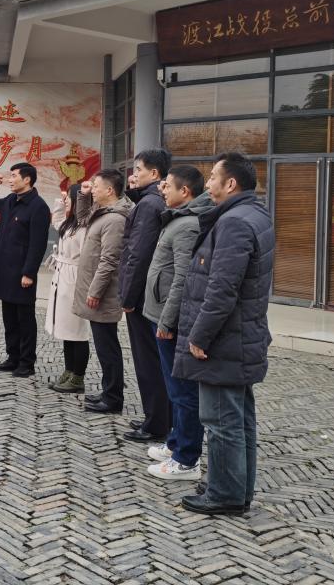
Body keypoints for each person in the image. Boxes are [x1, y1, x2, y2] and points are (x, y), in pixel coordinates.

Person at [175, 153, 275, 516]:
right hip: (239, 336)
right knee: (238, 418)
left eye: (213, 177)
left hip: (225, 339)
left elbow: (222, 289)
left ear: (230, 183)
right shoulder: (253, 214)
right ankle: (233, 486)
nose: (208, 183)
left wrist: (199, 336)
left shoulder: (234, 222)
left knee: (221, 420)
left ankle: (225, 495)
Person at [141, 165, 213, 481]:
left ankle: (186, 459)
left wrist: (167, 321)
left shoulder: (187, 225)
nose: (162, 189)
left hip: (170, 320)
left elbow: (183, 278)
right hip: (160, 314)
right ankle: (175, 444)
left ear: (185, 191)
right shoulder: (178, 219)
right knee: (175, 389)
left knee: (183, 391)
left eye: (167, 185)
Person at [118, 149, 173, 443]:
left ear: (154, 173)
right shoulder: (154, 200)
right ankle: (161, 418)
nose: (133, 174)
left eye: (138, 169)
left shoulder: (149, 205)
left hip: (141, 296)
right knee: (154, 359)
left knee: (148, 361)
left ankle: (155, 424)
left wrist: (127, 297)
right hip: (150, 292)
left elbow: (138, 254)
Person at [0, 162, 51, 377]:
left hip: (22, 274)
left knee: (25, 320)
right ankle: (13, 357)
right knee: (9, 318)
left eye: (13, 176)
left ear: (27, 179)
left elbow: (38, 244)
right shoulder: (11, 200)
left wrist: (29, 273)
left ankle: (26, 362)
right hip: (5, 271)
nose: (10, 180)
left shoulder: (38, 207)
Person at [73, 170, 134, 413]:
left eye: (96, 186)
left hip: (104, 295)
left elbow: (110, 260)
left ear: (110, 190)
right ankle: (108, 391)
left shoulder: (115, 220)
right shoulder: (103, 212)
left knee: (108, 348)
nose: (93, 189)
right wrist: (83, 196)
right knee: (104, 346)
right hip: (96, 290)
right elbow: (82, 219)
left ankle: (113, 398)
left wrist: (95, 291)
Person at [44, 184, 93, 394]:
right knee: (65, 330)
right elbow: (56, 221)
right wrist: (60, 200)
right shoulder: (69, 224)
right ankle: (69, 370)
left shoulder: (85, 227)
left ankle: (77, 377)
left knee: (77, 331)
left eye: (69, 200)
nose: (66, 203)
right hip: (62, 278)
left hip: (75, 281)